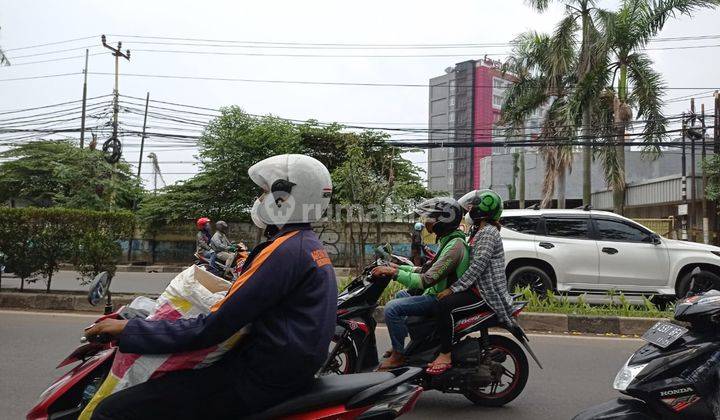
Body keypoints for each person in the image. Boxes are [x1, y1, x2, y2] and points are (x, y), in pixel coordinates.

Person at [86, 154, 337, 420]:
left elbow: (213, 327)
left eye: (264, 192)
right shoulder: (306, 245)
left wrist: (130, 330)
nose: (259, 200)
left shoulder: (285, 250)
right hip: (284, 371)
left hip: (259, 378)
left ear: (284, 198)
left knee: (112, 411)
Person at [371, 197, 470, 370]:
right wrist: (398, 267)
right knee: (401, 295)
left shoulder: (455, 246)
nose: (428, 223)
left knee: (392, 308)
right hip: (434, 292)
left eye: (432, 218)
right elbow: (424, 270)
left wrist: (394, 273)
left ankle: (398, 355)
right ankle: (402, 345)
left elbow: (427, 279)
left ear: (443, 220)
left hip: (438, 297)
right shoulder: (448, 241)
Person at [427, 189, 515, 375]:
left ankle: (445, 353)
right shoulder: (479, 231)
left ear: (482, 210)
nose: (470, 209)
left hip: (485, 293)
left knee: (444, 305)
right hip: (477, 288)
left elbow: (477, 267)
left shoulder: (489, 233)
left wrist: (453, 289)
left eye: (474, 206)